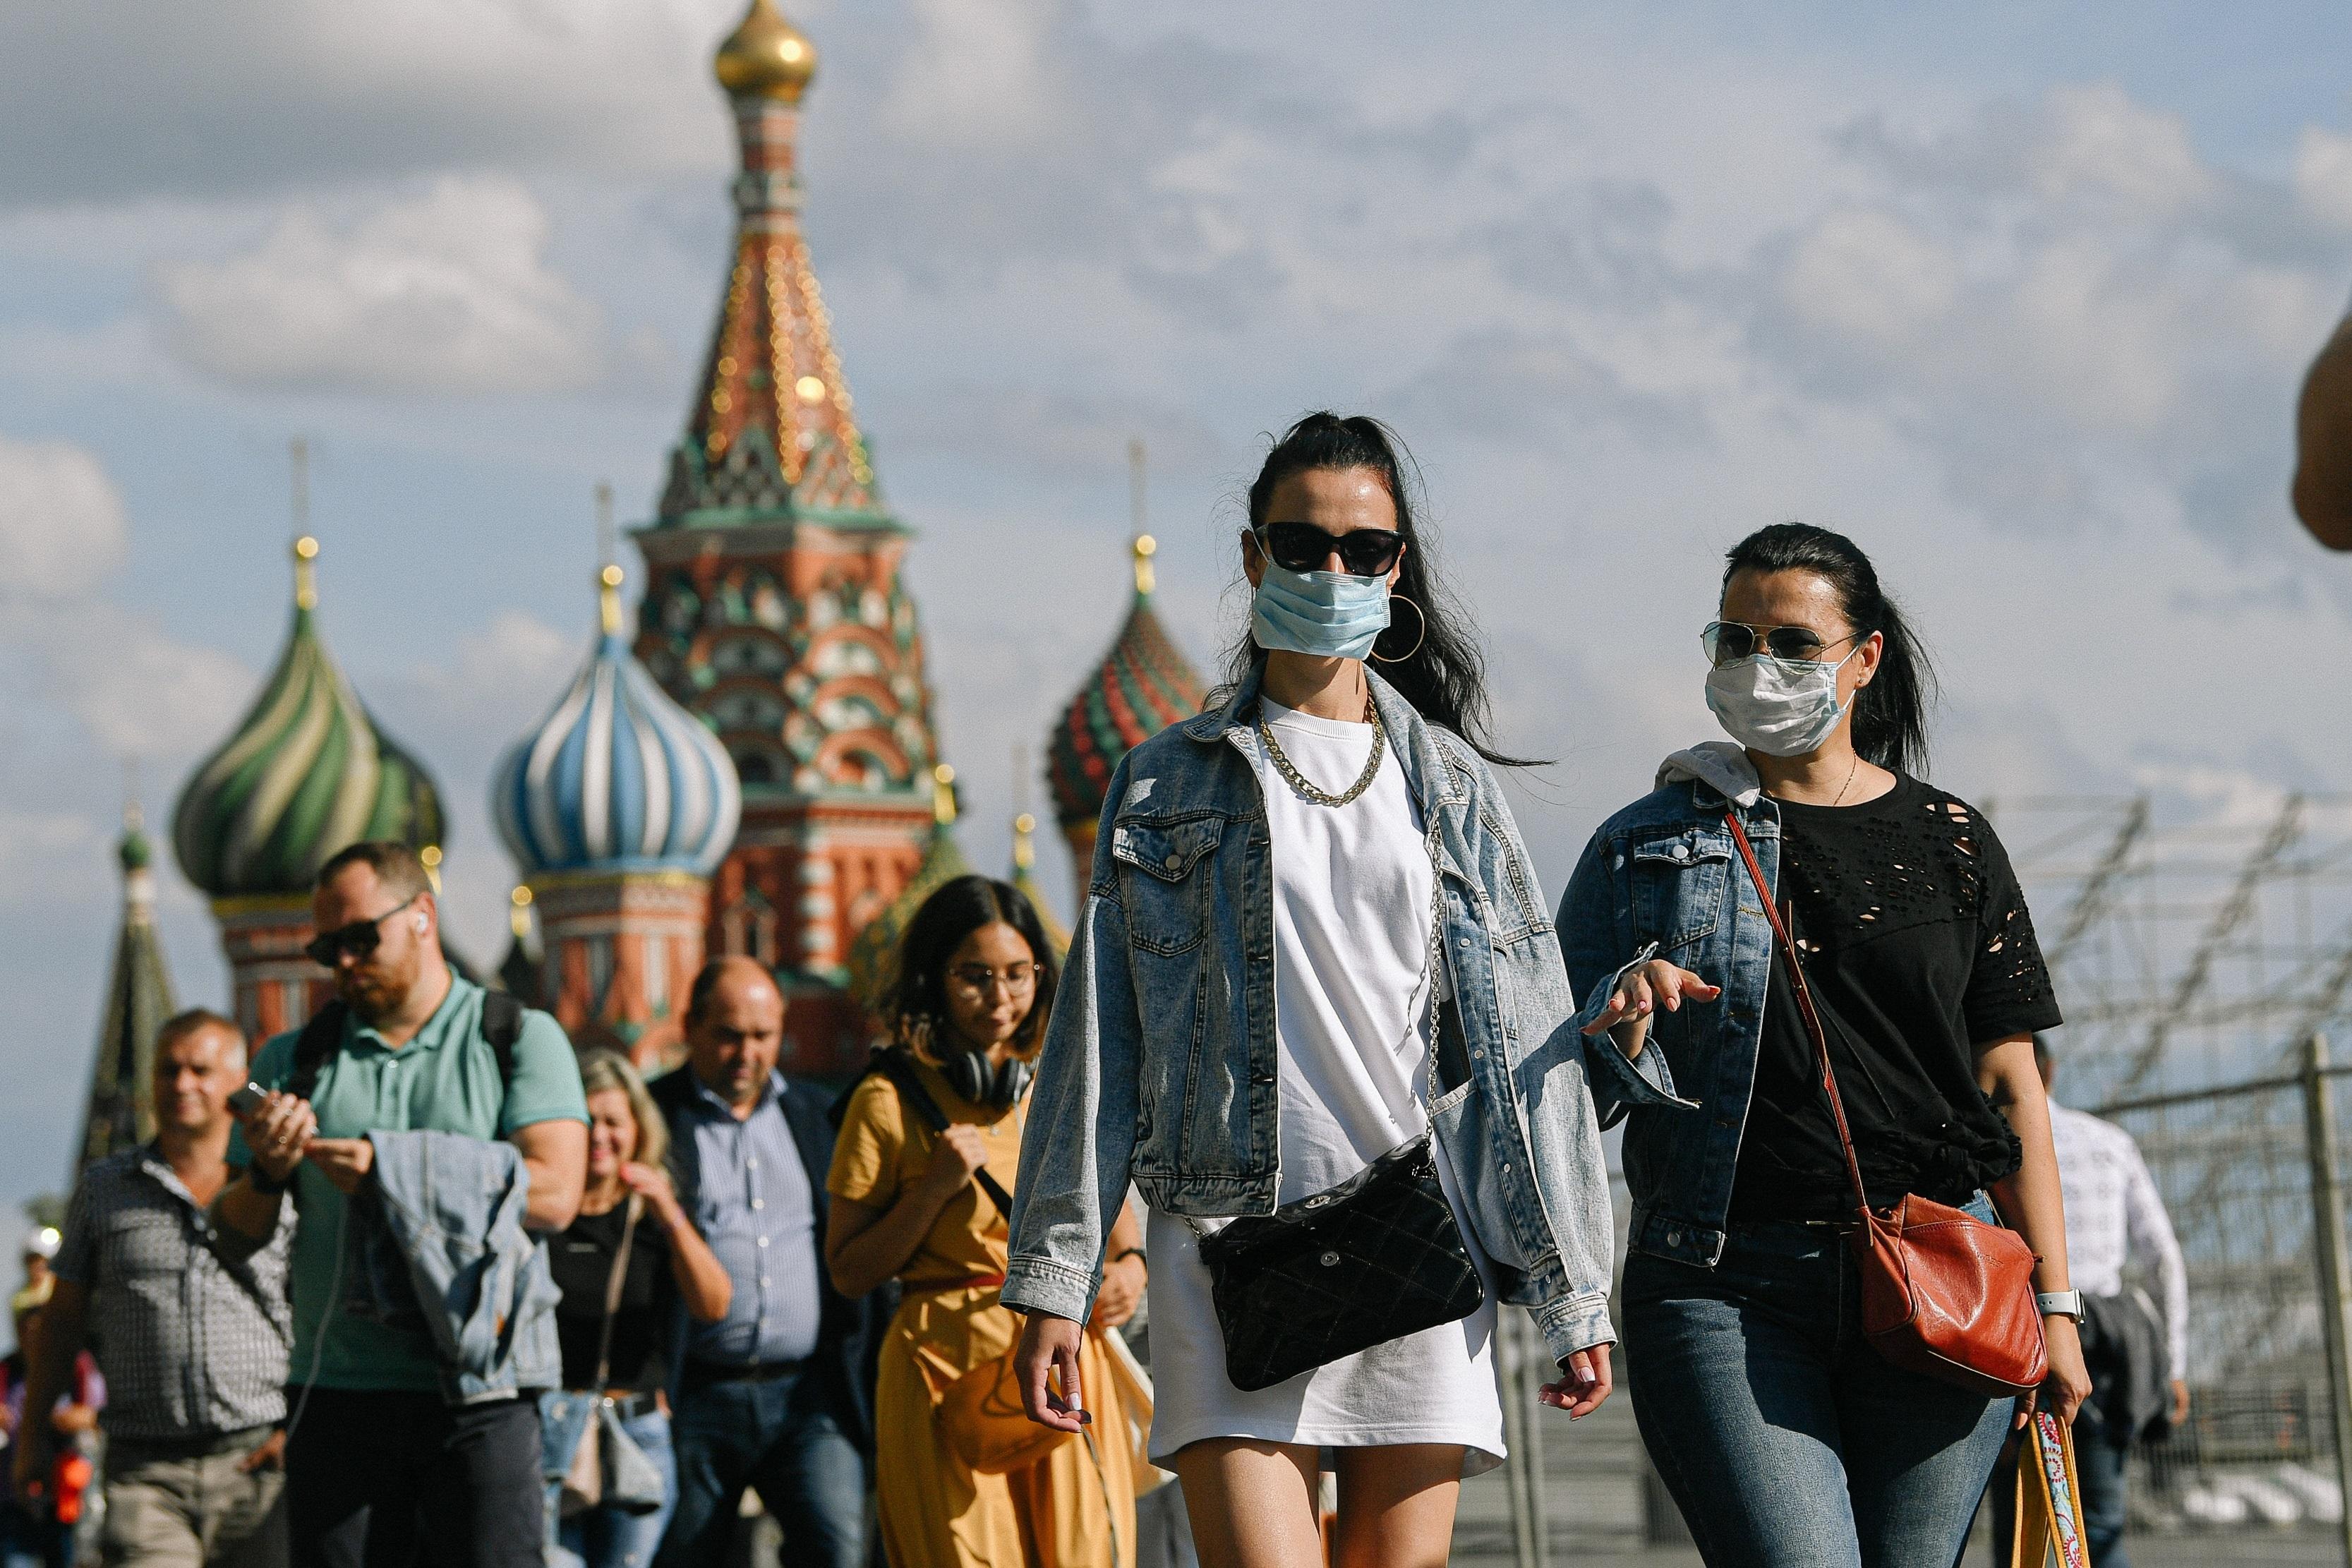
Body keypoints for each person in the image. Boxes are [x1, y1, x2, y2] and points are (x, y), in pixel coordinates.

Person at [1006, 412, 1620, 1568]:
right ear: (1252, 559)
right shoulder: (1161, 779)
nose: (1330, 571)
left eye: (1364, 549)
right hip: (1226, 1248)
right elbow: (1104, 1041)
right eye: (1300, 544)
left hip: (1416, 1250)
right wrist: (1054, 1273)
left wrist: (1572, 1286)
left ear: (1398, 570)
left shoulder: (1450, 787)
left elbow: (1525, 1048)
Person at [1557, 521, 2094, 1566]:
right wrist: (1618, 1016)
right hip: (1726, 1284)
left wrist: (2058, 1308)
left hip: (1947, 1269)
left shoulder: (1952, 838)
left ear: (1863, 659)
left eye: (1793, 643)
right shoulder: (1643, 843)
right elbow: (1553, 1083)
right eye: (1734, 638)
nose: (1760, 665)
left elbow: (2009, 1088)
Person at [216, 841, 589, 1568]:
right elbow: (233, 1234)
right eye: (327, 947)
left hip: (482, 1388)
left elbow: (556, 1193)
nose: (344, 963)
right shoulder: (294, 1059)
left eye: (361, 939)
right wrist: (266, 1171)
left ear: (422, 914)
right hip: (339, 1390)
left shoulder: (515, 1037)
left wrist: (397, 1167)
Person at [828, 875, 1146, 1568]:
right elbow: (850, 1270)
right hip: (941, 1368)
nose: (1000, 998)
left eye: (1017, 974)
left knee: (1084, 1553)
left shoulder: (1059, 1089)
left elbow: (1120, 1236)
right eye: (974, 977)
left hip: (1064, 1363)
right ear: (935, 977)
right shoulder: (886, 1101)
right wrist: (931, 1191)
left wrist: (1129, 1271)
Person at [18, 1010, 292, 1568]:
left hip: (258, 1462)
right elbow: (64, 1318)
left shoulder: (277, 1184)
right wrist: (31, 1437)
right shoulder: (105, 1189)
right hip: (147, 1472)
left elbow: (318, 1308)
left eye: (200, 1070)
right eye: (168, 1071)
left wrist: (299, 1427)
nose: (182, 1085)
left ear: (238, 1083)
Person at [649, 958, 874, 1568]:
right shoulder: (654, 1118)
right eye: (728, 1034)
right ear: (690, 1026)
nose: (746, 1053)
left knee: (839, 1548)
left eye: (762, 1035)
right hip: (698, 1392)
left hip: (808, 1393)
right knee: (689, 1556)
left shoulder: (817, 1114)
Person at [1989, 1035, 2190, 1567]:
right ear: (2050, 1072)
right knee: (2098, 1521)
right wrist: (2173, 1364)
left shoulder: (1989, 1144)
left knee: (2021, 1526)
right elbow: (2162, 1258)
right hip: (2105, 1335)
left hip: (2024, 1336)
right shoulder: (2107, 1141)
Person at [543, 1051, 732, 1568]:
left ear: (637, 1129)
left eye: (613, 1122)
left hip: (635, 1432)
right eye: (586, 1122)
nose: (599, 1136)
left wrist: (668, 1211)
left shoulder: (650, 1214)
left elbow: (714, 1304)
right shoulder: (543, 1215)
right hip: (551, 1430)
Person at [1, 1254, 100, 1568]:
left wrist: (74, 1418)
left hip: (67, 1499)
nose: (34, 1327)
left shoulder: (79, 1367)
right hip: (13, 1501)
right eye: (27, 1319)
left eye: (41, 1317)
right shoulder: (6, 1371)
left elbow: (100, 1415)